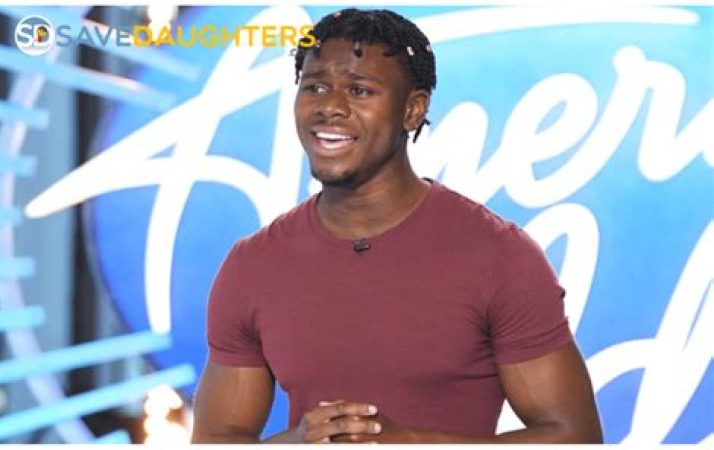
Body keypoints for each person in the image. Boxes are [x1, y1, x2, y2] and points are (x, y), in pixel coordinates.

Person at [192, 8, 603, 444]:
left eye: (359, 90)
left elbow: (574, 437)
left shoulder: (499, 255)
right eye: (314, 87)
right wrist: (295, 443)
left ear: (412, 110)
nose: (330, 107)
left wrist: (409, 442)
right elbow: (215, 439)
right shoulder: (253, 264)